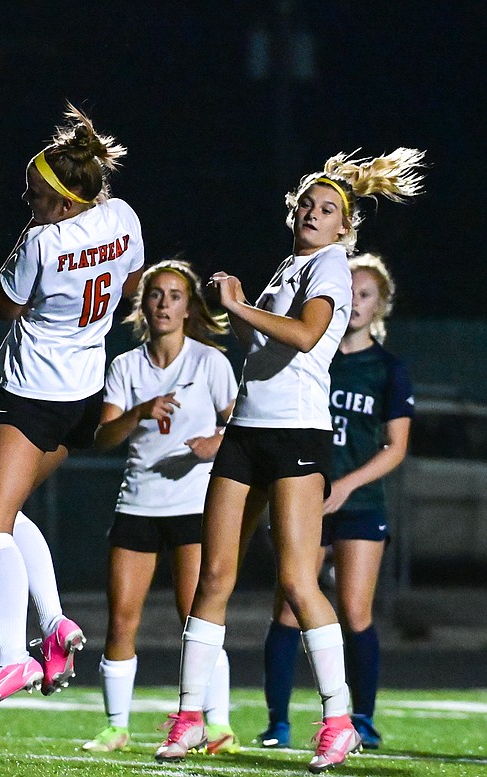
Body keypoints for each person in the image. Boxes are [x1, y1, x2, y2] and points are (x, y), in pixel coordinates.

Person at [153, 148, 425, 774]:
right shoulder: (288, 265)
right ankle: (190, 715)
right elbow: (263, 346)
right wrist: (240, 314)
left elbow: (304, 335)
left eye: (328, 209)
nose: (313, 212)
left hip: (296, 435)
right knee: (213, 576)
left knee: (300, 583)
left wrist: (241, 305)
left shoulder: (330, 266)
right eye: (307, 203)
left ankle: (337, 718)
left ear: (344, 229)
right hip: (247, 431)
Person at [0, 103, 145, 717]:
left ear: (67, 203)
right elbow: (133, 282)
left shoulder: (40, 241)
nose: (27, 198)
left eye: (37, 194)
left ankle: (13, 652)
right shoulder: (121, 214)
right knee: (8, 514)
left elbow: (1, 305)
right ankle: (58, 626)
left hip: (34, 393)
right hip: (85, 395)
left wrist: (29, 261)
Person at [258, 253, 413, 751]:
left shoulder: (388, 369)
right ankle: (277, 722)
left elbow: (396, 448)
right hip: (306, 495)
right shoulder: (313, 358)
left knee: (354, 609)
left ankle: (361, 717)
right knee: (288, 606)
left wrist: (345, 486)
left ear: (381, 304)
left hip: (360, 501)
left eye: (367, 294)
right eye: (351, 291)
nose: (357, 301)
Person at [84, 259, 239, 753]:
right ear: (143, 305)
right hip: (139, 504)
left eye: (175, 295)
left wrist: (216, 443)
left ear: (189, 307)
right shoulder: (126, 366)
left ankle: (217, 725)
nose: (164, 304)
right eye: (156, 295)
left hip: (195, 507)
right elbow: (103, 436)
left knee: (198, 617)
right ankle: (115, 726)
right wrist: (139, 411)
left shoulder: (209, 362)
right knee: (122, 618)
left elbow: (241, 425)